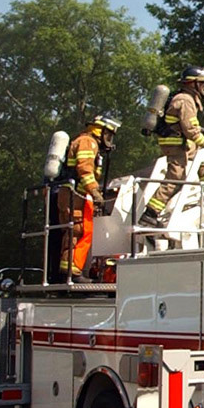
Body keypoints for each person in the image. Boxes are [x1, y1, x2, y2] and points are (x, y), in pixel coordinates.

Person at [139, 66, 204, 228]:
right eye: (202, 84)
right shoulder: (185, 100)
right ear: (192, 84)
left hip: (180, 142)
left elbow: (185, 124)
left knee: (203, 161)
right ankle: (150, 214)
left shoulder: (185, 98)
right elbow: (189, 129)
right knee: (176, 179)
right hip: (176, 145)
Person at [54, 114, 120, 282]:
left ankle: (72, 271)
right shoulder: (87, 142)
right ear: (99, 130)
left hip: (75, 195)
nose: (109, 139)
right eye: (108, 134)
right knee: (77, 230)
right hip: (74, 195)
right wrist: (95, 192)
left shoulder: (88, 142)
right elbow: (84, 169)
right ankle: (71, 273)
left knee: (78, 230)